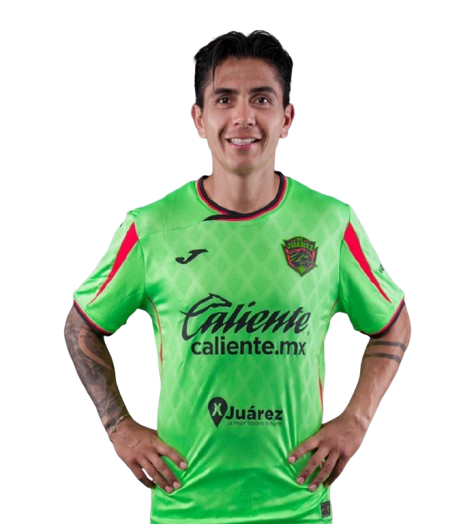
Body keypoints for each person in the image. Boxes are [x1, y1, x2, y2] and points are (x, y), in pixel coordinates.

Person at [64, 29, 412, 523]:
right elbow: (81, 326)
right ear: (199, 120)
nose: (243, 116)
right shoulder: (149, 227)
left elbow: (392, 324)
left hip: (298, 505)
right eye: (224, 99)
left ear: (286, 118)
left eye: (262, 99)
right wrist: (119, 427)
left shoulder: (332, 223)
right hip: (185, 506)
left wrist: (355, 420)